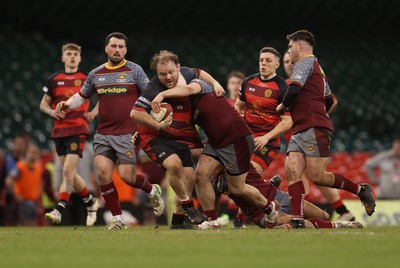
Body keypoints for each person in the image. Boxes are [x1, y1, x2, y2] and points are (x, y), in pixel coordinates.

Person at [56, 32, 164, 230]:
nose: (117, 50)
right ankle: (117, 218)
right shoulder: (96, 74)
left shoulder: (135, 70)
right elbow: (81, 96)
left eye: (121, 47)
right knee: (104, 174)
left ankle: (151, 189)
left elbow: (150, 93)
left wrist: (150, 116)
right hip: (103, 133)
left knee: (127, 177)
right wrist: (67, 104)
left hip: (127, 133)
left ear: (125, 50)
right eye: (113, 46)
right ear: (106, 48)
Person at [276, 30, 375, 228]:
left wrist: (281, 107)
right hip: (302, 126)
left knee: (317, 176)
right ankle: (297, 220)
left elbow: (294, 90)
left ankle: (360, 189)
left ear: (300, 46)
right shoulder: (317, 68)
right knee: (292, 170)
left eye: (290, 47)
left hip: (312, 126)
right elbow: (329, 99)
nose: (289, 51)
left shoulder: (303, 63)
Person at [151, 78, 281, 229]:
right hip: (216, 141)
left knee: (237, 188)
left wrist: (161, 95)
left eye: (173, 75)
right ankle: (211, 221)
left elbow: (188, 89)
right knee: (201, 175)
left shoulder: (199, 84)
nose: (170, 79)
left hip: (236, 138)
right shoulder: (182, 106)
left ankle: (269, 208)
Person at [131, 50, 225, 229]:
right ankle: (189, 207)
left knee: (188, 178)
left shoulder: (187, 74)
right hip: (155, 136)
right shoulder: (153, 88)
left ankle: (177, 221)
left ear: (179, 68)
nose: (167, 77)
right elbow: (135, 113)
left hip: (179, 136)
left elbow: (199, 72)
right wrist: (157, 125)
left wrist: (215, 82)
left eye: (171, 72)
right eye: (162, 74)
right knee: (174, 165)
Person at [283, 51, 355, 222]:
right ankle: (343, 211)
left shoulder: (305, 83)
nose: (289, 64)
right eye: (285, 62)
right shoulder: (285, 84)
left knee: (301, 175)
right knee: (312, 177)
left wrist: (313, 118)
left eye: (291, 61)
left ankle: (302, 215)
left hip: (309, 134)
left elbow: (332, 100)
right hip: (295, 138)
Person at [39, 43, 101, 226]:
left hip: (78, 129)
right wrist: (52, 112)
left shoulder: (86, 78)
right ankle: (90, 201)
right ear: (63, 57)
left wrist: (93, 113)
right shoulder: (53, 79)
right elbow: (43, 104)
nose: (72, 56)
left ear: (80, 58)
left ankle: (59, 209)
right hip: (59, 131)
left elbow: (103, 98)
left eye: (75, 54)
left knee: (67, 171)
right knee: (71, 174)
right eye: (69, 53)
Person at [233, 47, 292, 228]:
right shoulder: (248, 82)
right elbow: (238, 106)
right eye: (261, 60)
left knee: (248, 176)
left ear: (276, 64)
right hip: (247, 138)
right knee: (239, 178)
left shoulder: (282, 88)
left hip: (267, 141)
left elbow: (287, 121)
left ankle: (239, 219)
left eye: (268, 60)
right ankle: (267, 185)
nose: (263, 64)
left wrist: (266, 137)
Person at [211, 164, 363, 229]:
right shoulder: (215, 182)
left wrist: (269, 183)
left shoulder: (242, 162)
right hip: (262, 214)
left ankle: (327, 224)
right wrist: (212, 219)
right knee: (299, 223)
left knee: (323, 216)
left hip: (279, 196)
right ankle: (340, 225)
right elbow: (216, 202)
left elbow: (253, 185)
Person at [5, 144, 42, 226]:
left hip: (34, 200)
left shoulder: (38, 167)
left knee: (33, 223)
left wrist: (39, 193)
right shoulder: (21, 166)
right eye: (31, 152)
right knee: (24, 224)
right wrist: (16, 195)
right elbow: (9, 180)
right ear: (27, 153)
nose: (33, 155)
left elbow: (40, 182)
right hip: (23, 201)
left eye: (35, 153)